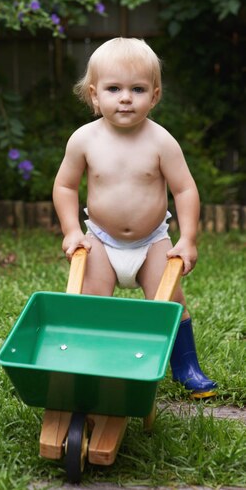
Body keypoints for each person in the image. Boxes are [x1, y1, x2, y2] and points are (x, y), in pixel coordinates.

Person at [52, 37, 217, 398]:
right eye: (114, 88)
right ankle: (94, 361)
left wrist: (187, 238)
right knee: (92, 301)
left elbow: (185, 190)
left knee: (171, 301)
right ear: (95, 96)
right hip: (101, 240)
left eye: (137, 89)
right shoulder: (84, 140)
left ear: (154, 96)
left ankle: (186, 365)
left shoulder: (161, 142)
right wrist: (71, 231)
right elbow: (65, 186)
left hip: (152, 241)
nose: (125, 97)